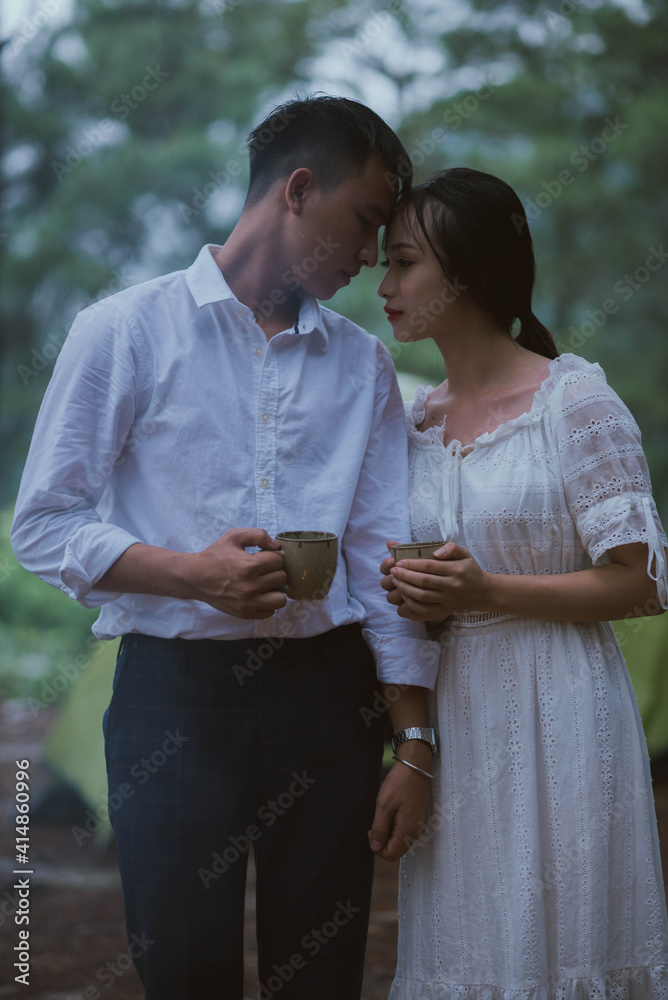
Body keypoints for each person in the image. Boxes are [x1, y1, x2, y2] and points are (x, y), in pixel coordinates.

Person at [11, 95, 440, 1000]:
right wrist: (191, 574)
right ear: (296, 189)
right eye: (364, 223)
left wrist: (412, 742)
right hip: (172, 700)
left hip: (330, 701)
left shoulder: (362, 365)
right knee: (185, 973)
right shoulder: (124, 331)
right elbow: (43, 524)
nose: (369, 260)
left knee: (319, 978)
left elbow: (379, 561)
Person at [374, 166, 668, 997]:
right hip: (456, 718)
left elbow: (645, 582)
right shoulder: (411, 425)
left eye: (403, 264)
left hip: (565, 710)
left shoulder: (573, 401)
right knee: (469, 951)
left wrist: (488, 592)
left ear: (464, 272)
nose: (384, 285)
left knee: (565, 943)